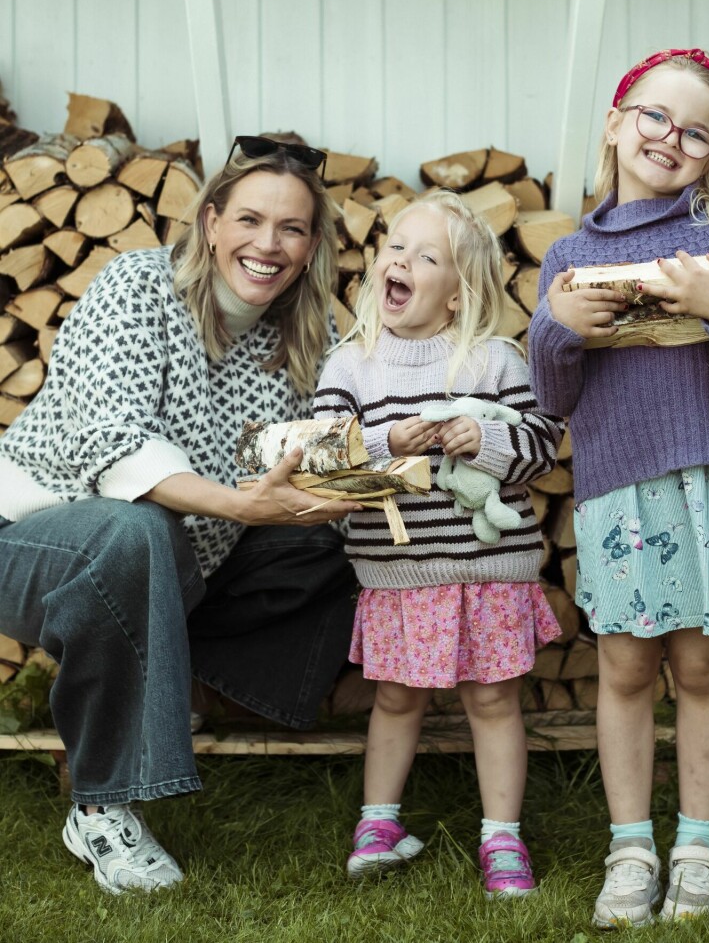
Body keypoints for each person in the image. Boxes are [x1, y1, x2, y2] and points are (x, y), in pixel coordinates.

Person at [0, 135, 363, 895]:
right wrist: (239, 502)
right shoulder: (137, 284)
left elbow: (332, 443)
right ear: (209, 222)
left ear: (312, 244)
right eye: (251, 220)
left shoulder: (306, 333)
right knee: (136, 529)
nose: (268, 245)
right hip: (38, 540)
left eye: (292, 228)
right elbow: (112, 443)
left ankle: (186, 684)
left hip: (184, 560)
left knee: (341, 540)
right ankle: (102, 804)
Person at [528, 48, 709, 926]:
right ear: (614, 123)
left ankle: (697, 846)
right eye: (653, 116)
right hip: (618, 492)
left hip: (708, 485)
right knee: (626, 666)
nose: (669, 138)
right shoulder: (569, 258)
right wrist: (558, 330)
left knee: (703, 664)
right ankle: (631, 848)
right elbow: (552, 396)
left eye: (695, 132)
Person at [312, 190, 565, 898]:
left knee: (493, 703)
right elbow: (321, 462)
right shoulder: (352, 366)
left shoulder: (492, 362)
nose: (402, 261)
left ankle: (502, 839)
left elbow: (542, 446)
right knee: (394, 699)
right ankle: (378, 824)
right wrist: (386, 440)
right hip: (399, 575)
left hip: (487, 572)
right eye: (395, 246)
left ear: (457, 296)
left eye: (427, 257)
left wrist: (483, 439)